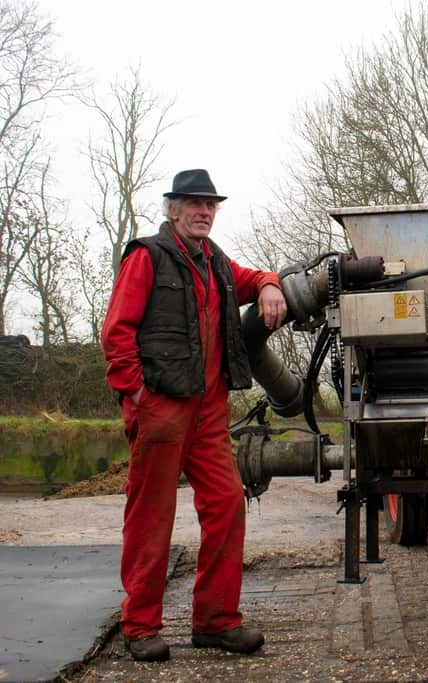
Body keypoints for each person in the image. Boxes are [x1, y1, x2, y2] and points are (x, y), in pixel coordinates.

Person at [101, 169, 288, 662]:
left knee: (227, 505)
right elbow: (116, 333)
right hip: (161, 406)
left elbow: (252, 278)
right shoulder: (147, 256)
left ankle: (216, 622)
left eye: (210, 205)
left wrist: (270, 284)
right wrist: (138, 394)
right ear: (173, 209)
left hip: (209, 411)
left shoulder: (216, 262)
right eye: (193, 203)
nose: (203, 211)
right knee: (151, 517)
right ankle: (140, 626)